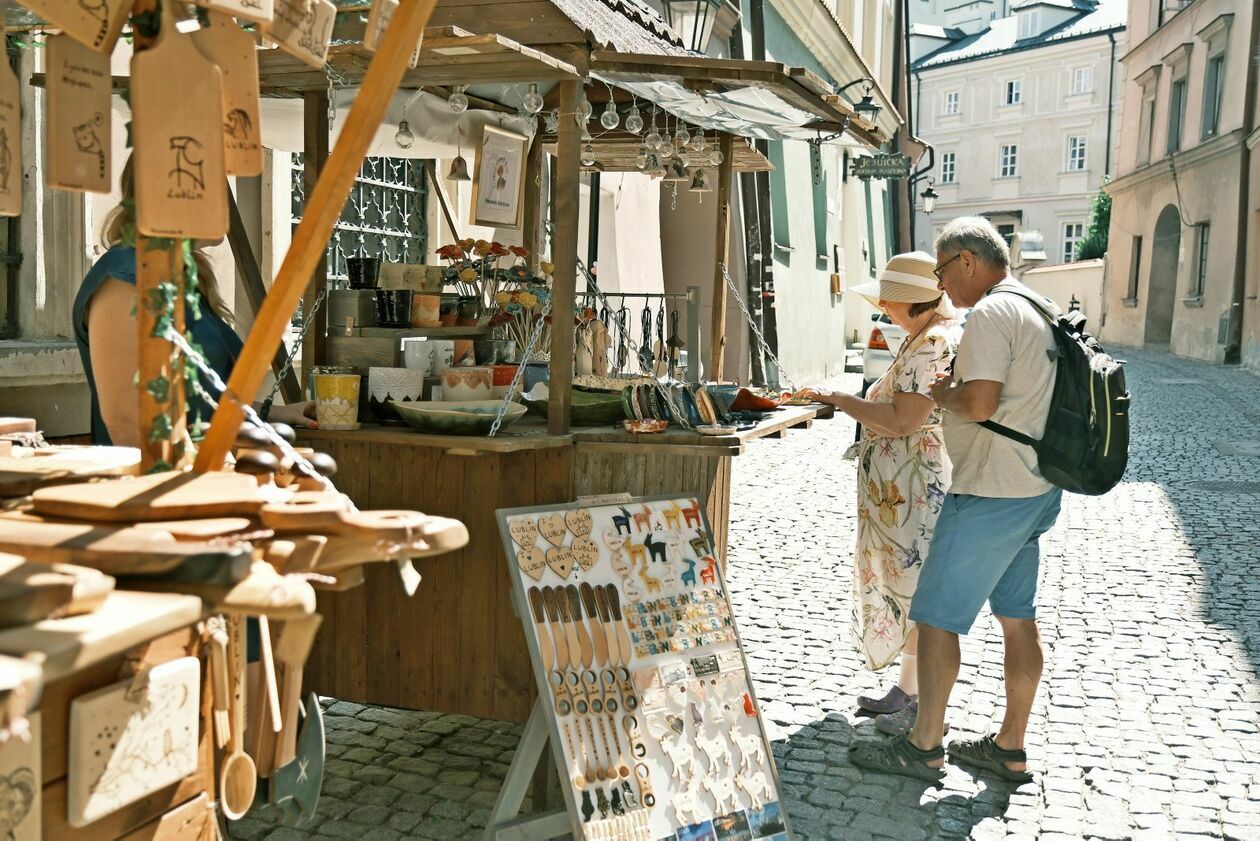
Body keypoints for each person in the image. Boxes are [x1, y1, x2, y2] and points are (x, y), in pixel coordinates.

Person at [849, 217, 1062, 785]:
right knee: (1018, 621)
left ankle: (923, 747)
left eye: (943, 271)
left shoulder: (992, 311)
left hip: (991, 489)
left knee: (935, 618)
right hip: (1036, 487)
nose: (942, 287)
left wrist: (942, 394)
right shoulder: (1037, 305)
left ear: (966, 261)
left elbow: (982, 402)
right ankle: (1010, 747)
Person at [794, 252, 960, 717]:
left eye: (890, 300)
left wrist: (842, 399)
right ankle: (908, 690)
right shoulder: (923, 338)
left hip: (913, 492)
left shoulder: (930, 343)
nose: (884, 307)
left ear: (909, 302)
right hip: (902, 493)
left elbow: (904, 420)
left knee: (913, 589)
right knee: (908, 588)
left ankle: (915, 698)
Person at [74, 156, 314, 448]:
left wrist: (278, 412)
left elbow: (203, 395)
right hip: (159, 485)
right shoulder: (124, 279)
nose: (226, 202)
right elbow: (127, 423)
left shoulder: (187, 277)